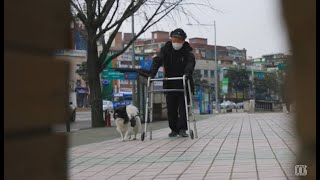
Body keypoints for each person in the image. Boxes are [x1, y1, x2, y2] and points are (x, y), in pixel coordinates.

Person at [149, 28, 196, 137]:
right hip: (170, 82)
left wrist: (187, 74)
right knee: (171, 108)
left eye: (179, 40)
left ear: (183, 41)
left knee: (183, 108)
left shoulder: (187, 51)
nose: (177, 42)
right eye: (175, 39)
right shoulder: (166, 49)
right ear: (171, 39)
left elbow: (190, 64)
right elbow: (157, 61)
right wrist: (152, 74)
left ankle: (182, 129)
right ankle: (173, 129)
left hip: (183, 82)